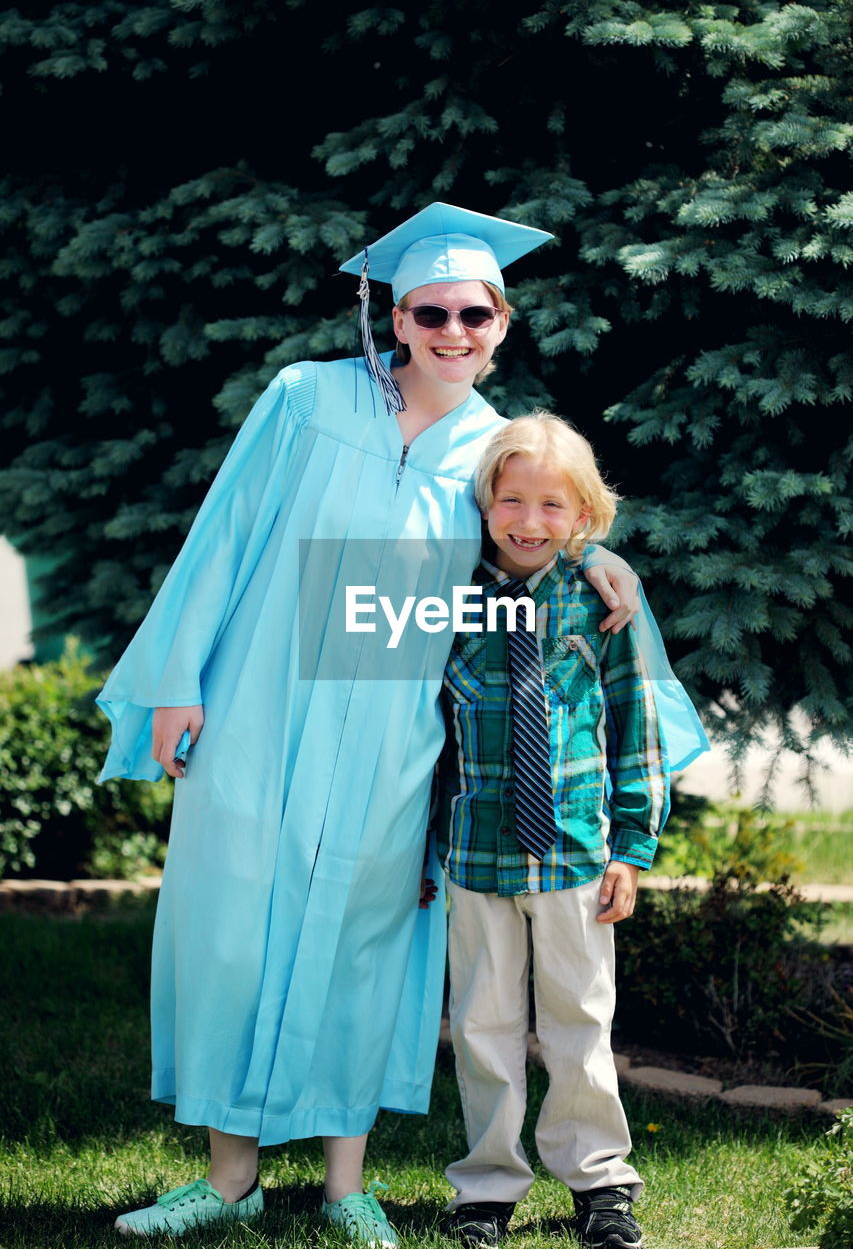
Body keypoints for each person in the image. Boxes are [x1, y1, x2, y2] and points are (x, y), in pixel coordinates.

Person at [96, 204, 662, 1243]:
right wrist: (182, 678)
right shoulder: (304, 396)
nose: (453, 330)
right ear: (394, 315)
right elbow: (223, 534)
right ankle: (228, 1176)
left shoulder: (497, 444)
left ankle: (347, 1180)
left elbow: (530, 548)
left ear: (503, 320)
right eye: (431, 310)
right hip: (263, 699)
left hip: (395, 732)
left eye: (474, 313)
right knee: (231, 931)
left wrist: (600, 558)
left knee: (362, 937)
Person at [436, 412, 706, 1249]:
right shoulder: (450, 596)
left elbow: (637, 726)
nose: (527, 521)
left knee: (578, 1025)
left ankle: (598, 1181)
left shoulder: (599, 601)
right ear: (483, 506)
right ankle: (486, 1185)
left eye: (552, 507)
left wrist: (632, 847)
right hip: (474, 854)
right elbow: (423, 730)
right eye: (509, 501)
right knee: (480, 1030)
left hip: (575, 856)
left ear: (584, 517)